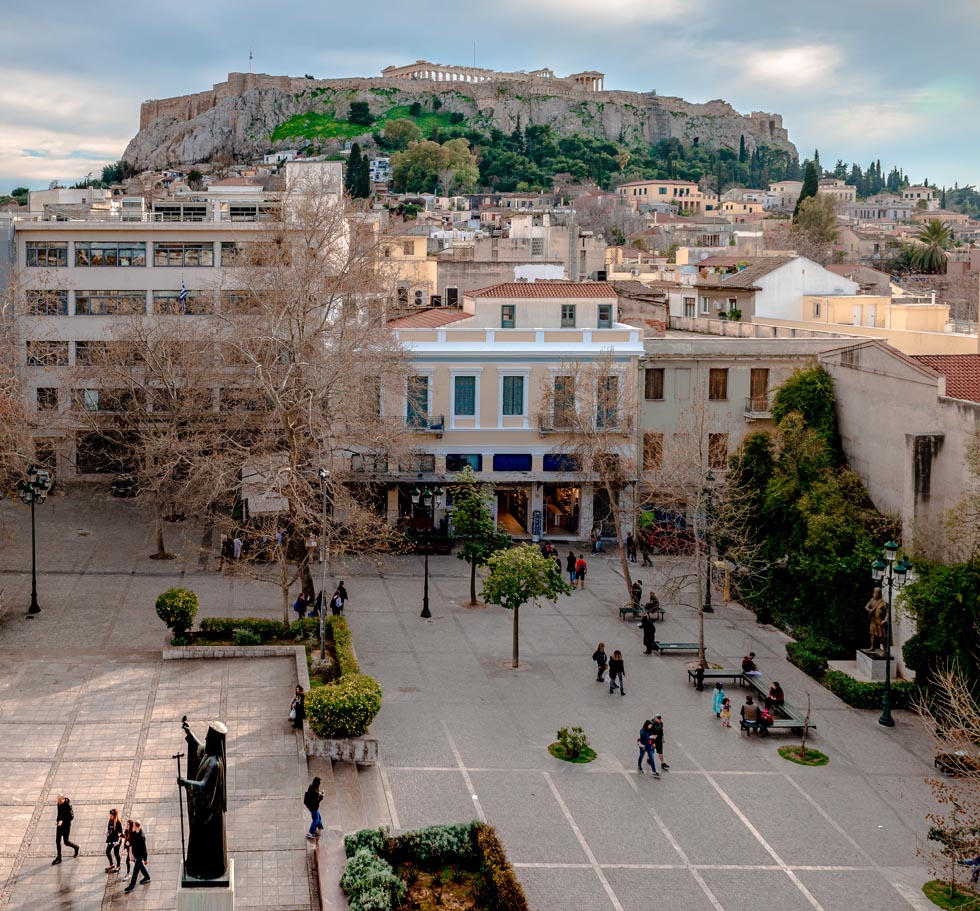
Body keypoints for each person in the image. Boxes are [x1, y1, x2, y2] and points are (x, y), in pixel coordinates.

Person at [177, 720, 228, 881]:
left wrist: (185, 783)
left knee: (203, 843)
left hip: (209, 816)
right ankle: (197, 867)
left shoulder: (214, 764)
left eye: (208, 737)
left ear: (214, 741)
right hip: (205, 812)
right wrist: (189, 733)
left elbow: (203, 786)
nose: (205, 739)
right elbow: (199, 748)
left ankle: (204, 871)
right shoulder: (209, 753)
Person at [123, 820, 150, 893]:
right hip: (135, 854)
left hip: (139, 856)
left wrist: (145, 859)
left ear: (136, 826)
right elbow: (132, 840)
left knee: (135, 871)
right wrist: (129, 843)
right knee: (141, 866)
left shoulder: (141, 837)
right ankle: (147, 877)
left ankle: (131, 886)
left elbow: (144, 849)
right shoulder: (134, 832)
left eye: (133, 826)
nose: (132, 827)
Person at [53, 794, 78, 865]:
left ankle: (76, 847)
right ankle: (59, 857)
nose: (58, 801)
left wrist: (62, 821)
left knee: (66, 842)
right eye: (57, 800)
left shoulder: (68, 806)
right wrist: (58, 820)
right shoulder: (59, 804)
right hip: (60, 825)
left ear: (63, 799)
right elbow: (59, 814)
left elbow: (71, 817)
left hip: (66, 826)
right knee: (57, 841)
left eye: (59, 800)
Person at [865, 587, 888, 652]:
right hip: (873, 620)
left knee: (880, 636)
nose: (874, 594)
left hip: (879, 621)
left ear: (879, 593)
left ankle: (884, 650)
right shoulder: (871, 600)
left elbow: (887, 612)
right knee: (872, 634)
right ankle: (872, 647)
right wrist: (870, 610)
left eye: (876, 592)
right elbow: (866, 607)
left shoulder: (883, 603)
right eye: (874, 592)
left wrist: (885, 620)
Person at [104, 808, 123, 873]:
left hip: (116, 840)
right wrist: (108, 833)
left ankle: (118, 866)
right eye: (110, 816)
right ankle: (112, 864)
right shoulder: (110, 820)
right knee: (107, 851)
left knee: (116, 853)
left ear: (115, 816)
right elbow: (109, 829)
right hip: (111, 839)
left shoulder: (118, 823)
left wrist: (118, 841)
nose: (110, 817)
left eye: (111, 816)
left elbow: (120, 833)